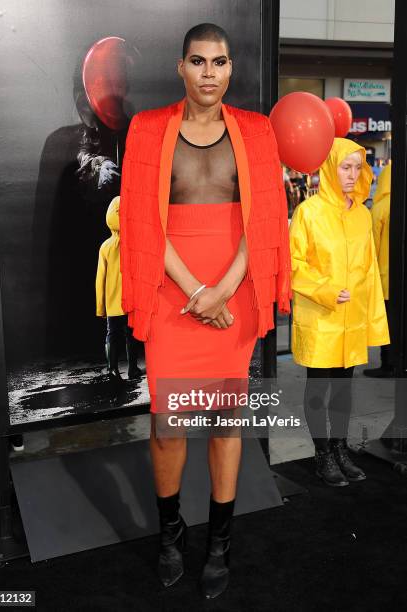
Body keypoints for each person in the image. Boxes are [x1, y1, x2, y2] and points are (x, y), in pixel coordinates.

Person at [119, 23, 291, 598]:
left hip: (234, 293)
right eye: (199, 62)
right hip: (173, 292)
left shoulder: (256, 130)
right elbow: (144, 221)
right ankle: (170, 536)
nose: (210, 73)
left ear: (230, 69)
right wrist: (196, 292)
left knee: (224, 424)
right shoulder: (147, 129)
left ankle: (219, 545)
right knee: (169, 429)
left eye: (219, 63)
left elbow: (264, 220)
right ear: (181, 67)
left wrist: (224, 290)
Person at [289, 138, 390, 487]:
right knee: (319, 386)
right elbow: (292, 265)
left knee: (345, 387)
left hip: (352, 319)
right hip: (319, 317)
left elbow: (370, 272)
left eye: (356, 167)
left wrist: (374, 320)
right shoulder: (308, 213)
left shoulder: (363, 214)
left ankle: (340, 448)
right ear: (330, 167)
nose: (351, 174)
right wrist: (328, 291)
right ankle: (322, 455)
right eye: (344, 166)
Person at [95, 196, 144, 382]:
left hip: (113, 304)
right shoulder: (135, 244)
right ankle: (132, 369)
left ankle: (112, 369)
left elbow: (100, 279)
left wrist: (100, 307)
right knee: (131, 336)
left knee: (112, 335)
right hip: (131, 303)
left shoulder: (105, 247)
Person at [363, 162, 393, 377]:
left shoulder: (381, 207)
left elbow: (372, 244)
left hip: (385, 280)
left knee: (387, 325)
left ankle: (388, 364)